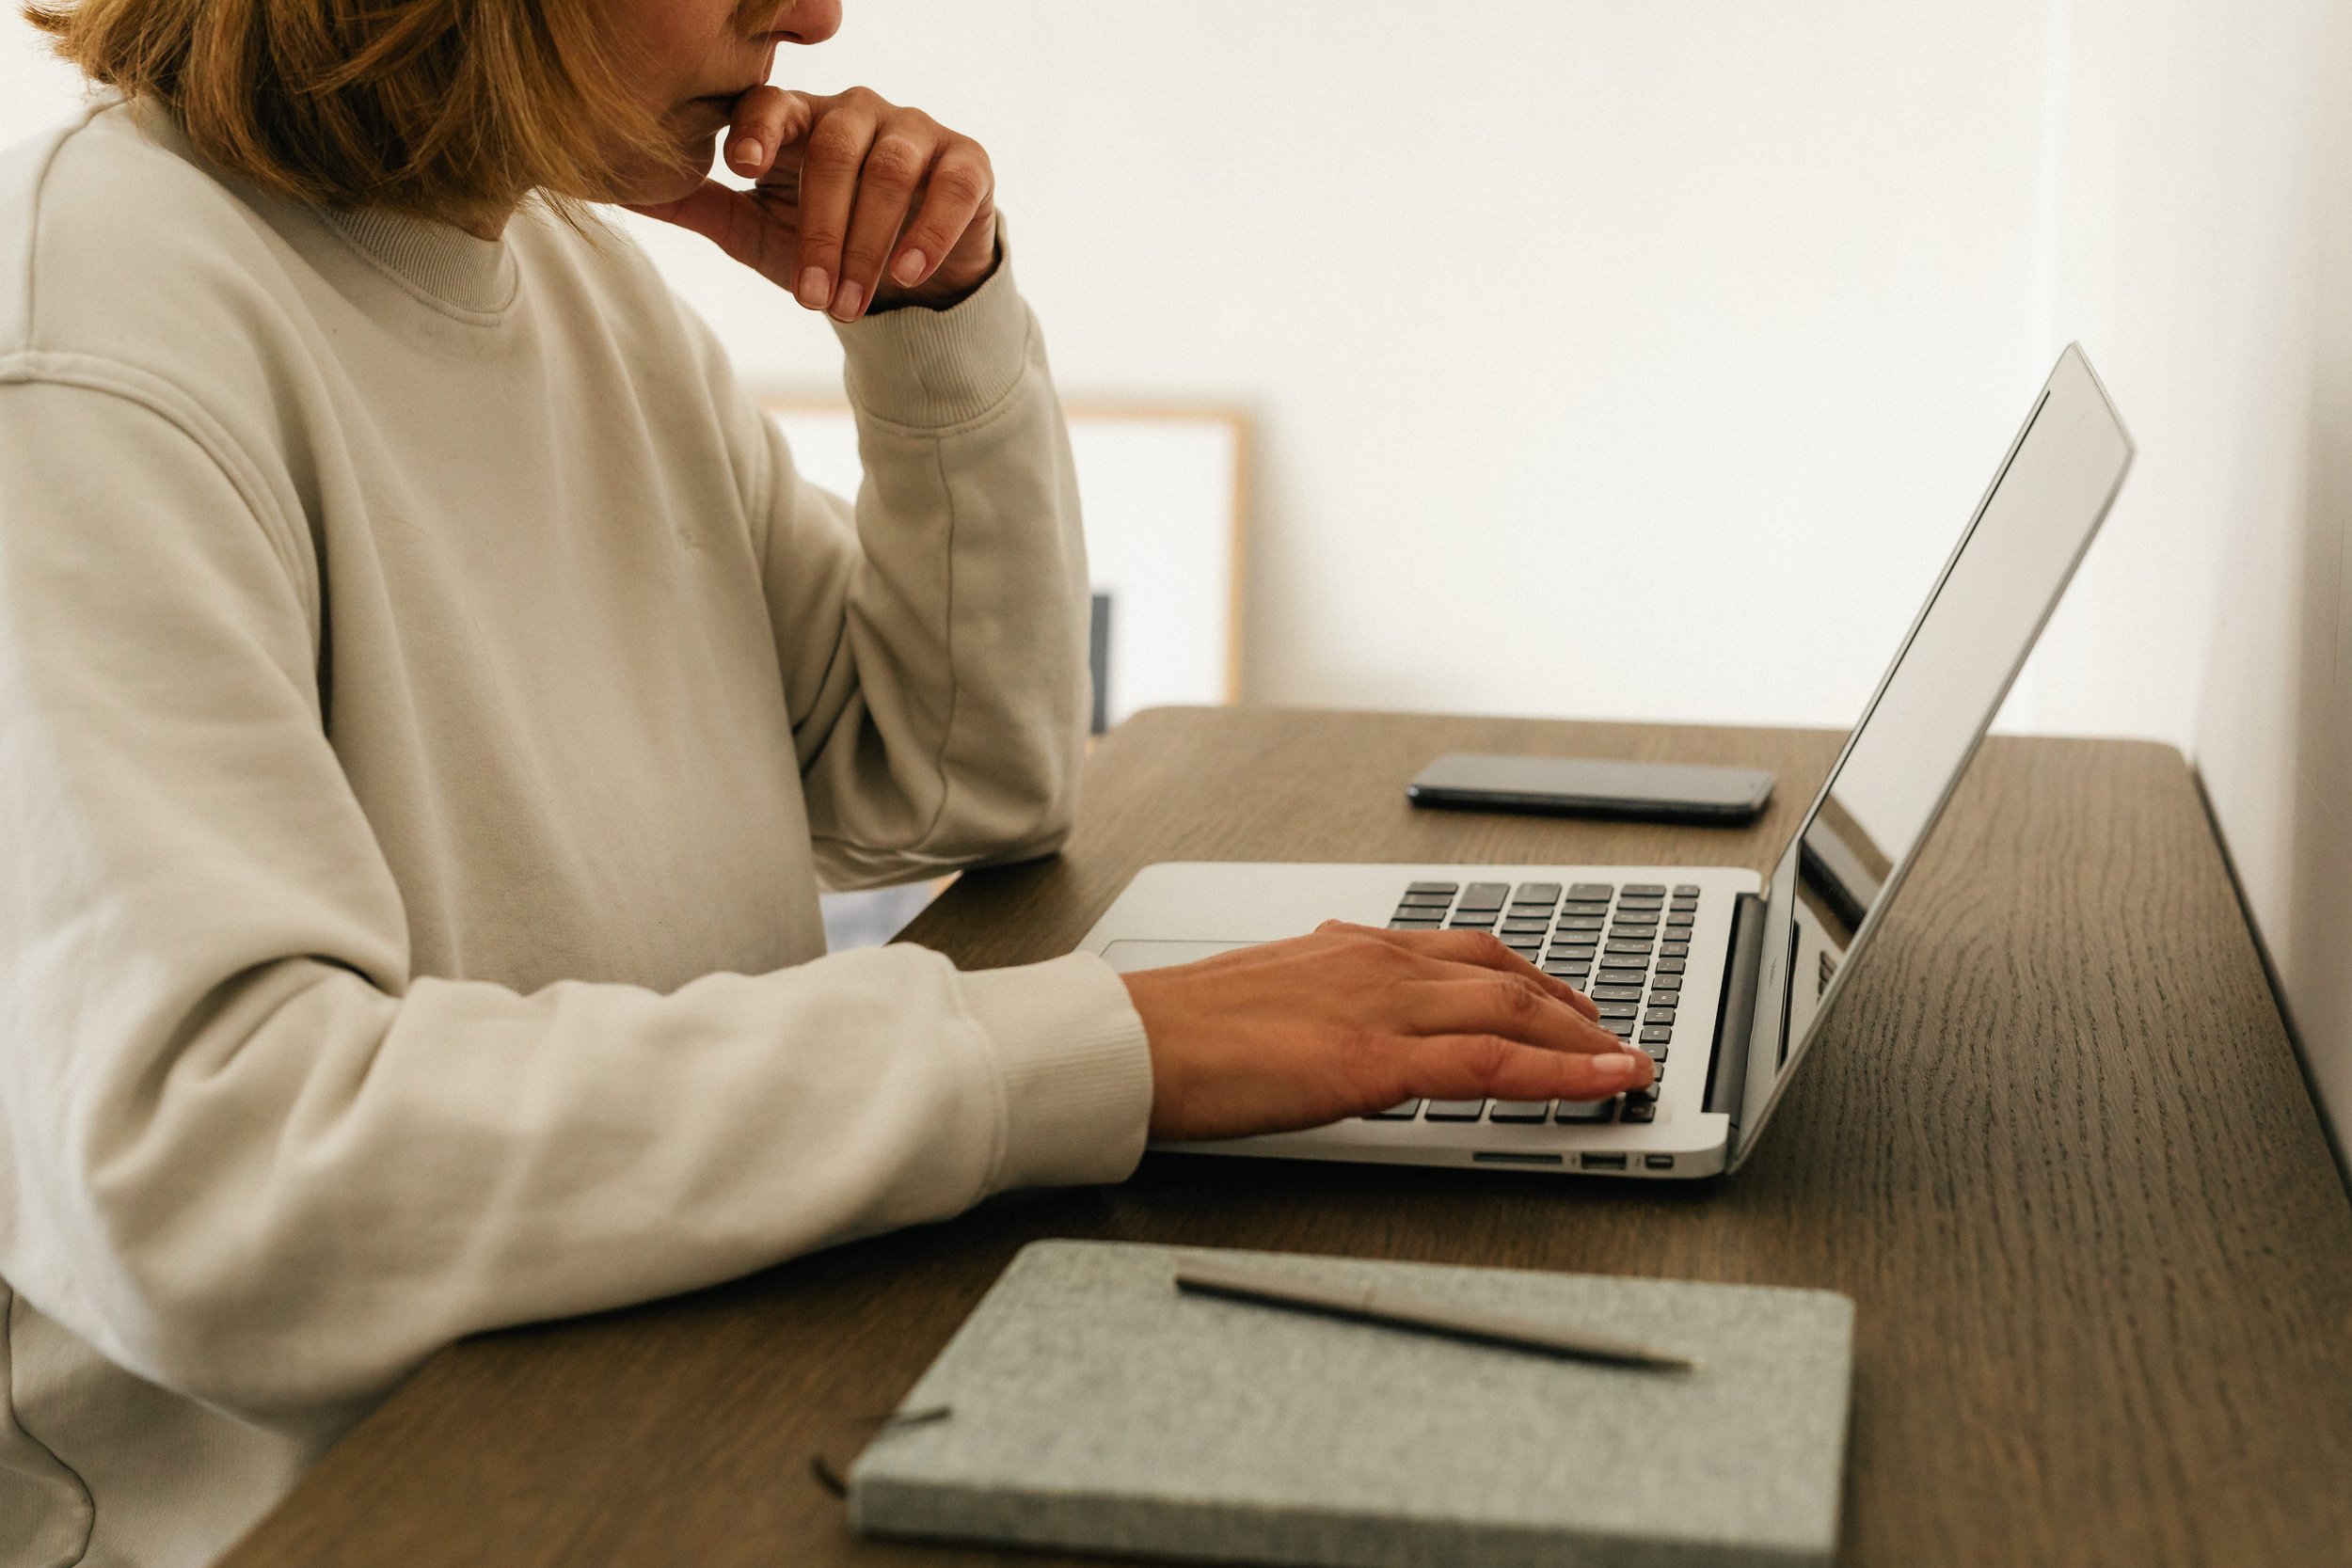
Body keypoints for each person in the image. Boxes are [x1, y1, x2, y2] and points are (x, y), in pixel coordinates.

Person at [0, 1, 1654, 1561]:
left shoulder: (570, 284)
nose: (815, 15)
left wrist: (937, 322)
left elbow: (960, 779)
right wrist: (1103, 1048)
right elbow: (219, 1184)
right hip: (367, 1506)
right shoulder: (88, 348)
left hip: (670, 1369)